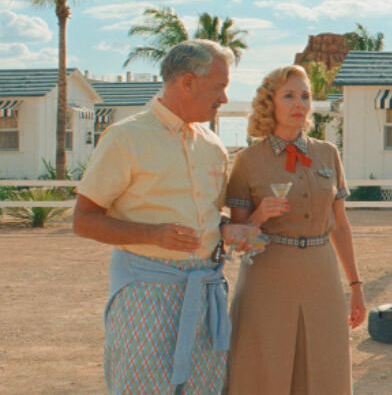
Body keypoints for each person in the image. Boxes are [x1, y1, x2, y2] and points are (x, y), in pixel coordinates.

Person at [73, 39, 252, 394]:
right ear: (187, 82)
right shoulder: (125, 138)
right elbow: (83, 219)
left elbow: (209, 216)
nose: (224, 98)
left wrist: (228, 229)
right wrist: (153, 234)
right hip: (144, 294)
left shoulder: (214, 146)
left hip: (205, 293)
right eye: (220, 87)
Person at [224, 65, 365, 393]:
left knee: (324, 364)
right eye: (289, 95)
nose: (299, 103)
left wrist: (356, 286)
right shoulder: (248, 160)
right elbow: (237, 239)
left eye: (305, 96)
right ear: (268, 102)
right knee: (264, 366)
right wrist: (259, 215)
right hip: (267, 276)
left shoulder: (327, 153)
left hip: (321, 275)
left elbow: (341, 227)